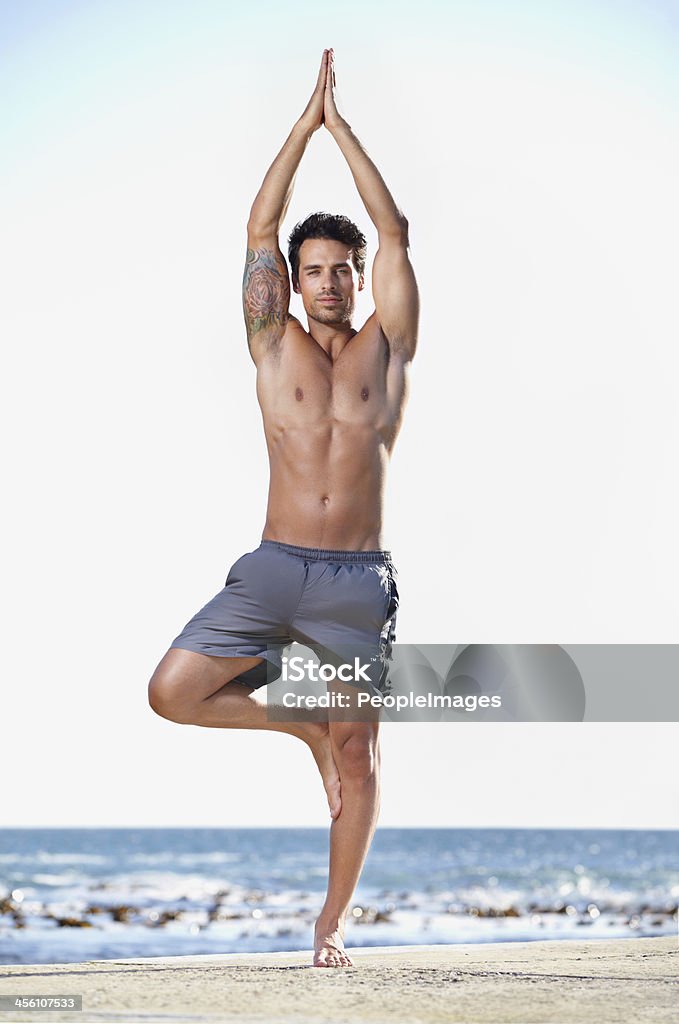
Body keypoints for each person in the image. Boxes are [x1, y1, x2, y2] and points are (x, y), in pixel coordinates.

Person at [148, 48, 419, 968]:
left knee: (358, 762)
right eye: (316, 270)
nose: (332, 282)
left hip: (352, 582)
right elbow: (258, 224)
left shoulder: (389, 346)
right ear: (293, 284)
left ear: (359, 276)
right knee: (172, 693)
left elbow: (398, 231)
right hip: (272, 566)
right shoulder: (272, 347)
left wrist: (347, 132)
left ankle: (330, 924)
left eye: (345, 267)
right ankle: (294, 722)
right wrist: (305, 124)